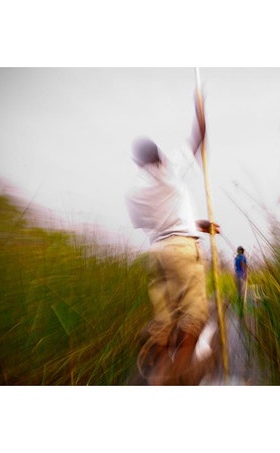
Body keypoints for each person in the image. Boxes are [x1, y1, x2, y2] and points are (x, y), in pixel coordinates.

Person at [125, 92, 219, 385]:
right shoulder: (169, 166)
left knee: (165, 321)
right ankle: (175, 376)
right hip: (181, 249)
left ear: (137, 162)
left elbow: (157, 224)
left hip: (158, 253)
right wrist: (199, 108)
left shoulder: (134, 192)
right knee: (194, 316)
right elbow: (199, 135)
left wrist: (197, 224)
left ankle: (159, 370)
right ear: (158, 155)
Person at [234, 246, 248, 318]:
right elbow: (243, 265)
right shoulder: (243, 257)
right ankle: (242, 309)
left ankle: (239, 307)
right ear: (242, 251)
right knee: (242, 292)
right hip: (241, 276)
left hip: (236, 276)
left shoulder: (236, 257)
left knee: (239, 292)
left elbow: (236, 267)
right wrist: (245, 274)